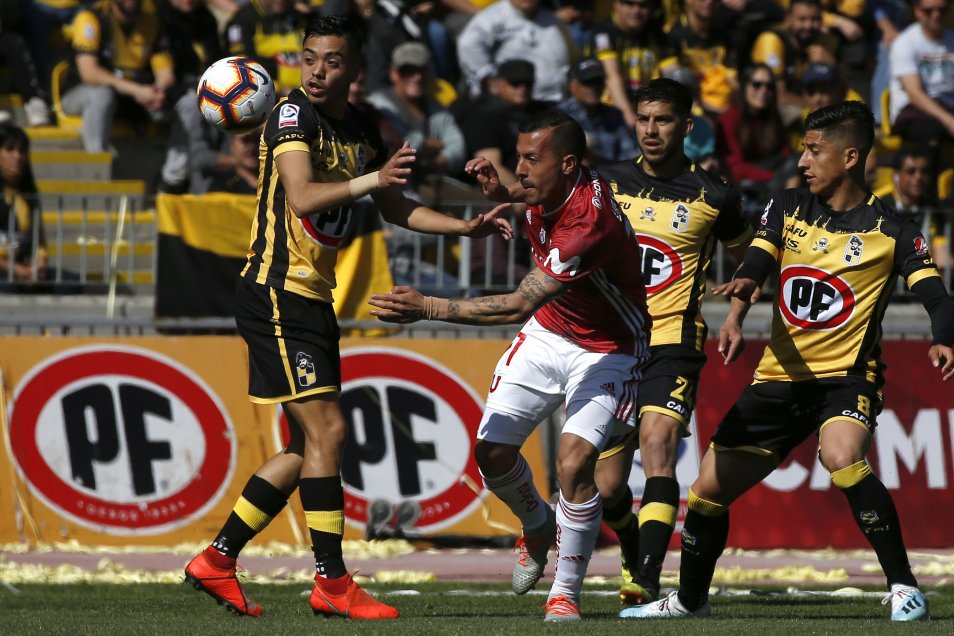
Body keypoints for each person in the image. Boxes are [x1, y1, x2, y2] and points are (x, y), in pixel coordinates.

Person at [183, 15, 513, 620]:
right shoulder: (291, 116)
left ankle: (218, 559)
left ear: (355, 71)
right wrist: (371, 178)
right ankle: (333, 582)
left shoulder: (362, 127)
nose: (316, 70)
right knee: (329, 432)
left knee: (304, 444)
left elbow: (397, 205)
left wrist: (463, 226)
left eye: (332, 61)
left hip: (311, 297)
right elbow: (305, 197)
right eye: (309, 57)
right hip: (276, 292)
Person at [620, 101, 954, 622]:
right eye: (802, 148)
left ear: (850, 157)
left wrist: (943, 337)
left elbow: (935, 294)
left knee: (842, 455)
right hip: (778, 378)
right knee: (706, 491)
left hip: (846, 379)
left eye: (813, 150)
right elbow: (759, 257)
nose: (802, 160)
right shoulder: (788, 205)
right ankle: (689, 601)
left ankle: (905, 588)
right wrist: (747, 286)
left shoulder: (894, 228)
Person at [369, 110, 652, 622]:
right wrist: (502, 188)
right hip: (551, 332)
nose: (519, 168)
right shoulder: (558, 185)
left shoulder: (590, 223)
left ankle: (565, 593)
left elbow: (514, 306)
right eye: (517, 156)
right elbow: (536, 196)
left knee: (573, 463)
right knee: (492, 453)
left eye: (530, 160)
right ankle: (538, 524)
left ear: (568, 164)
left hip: (609, 349)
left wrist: (427, 307)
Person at [596, 77, 752, 605]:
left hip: (674, 340)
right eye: (643, 119)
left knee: (658, 444)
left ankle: (644, 579)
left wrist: (734, 316)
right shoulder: (606, 182)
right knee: (608, 486)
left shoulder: (714, 194)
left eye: (662, 119)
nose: (651, 130)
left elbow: (752, 260)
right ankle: (633, 542)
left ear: (687, 126)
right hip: (611, 344)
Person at [61, 0, 175, 153]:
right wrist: (136, 91)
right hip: (80, 92)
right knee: (101, 95)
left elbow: (166, 73)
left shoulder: (152, 21)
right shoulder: (91, 18)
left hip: (131, 96)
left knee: (185, 100)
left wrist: (157, 91)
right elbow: (89, 73)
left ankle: (175, 174)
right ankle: (97, 161)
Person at [457, 0, 574, 105]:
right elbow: (468, 44)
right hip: (520, 105)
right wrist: (488, 77)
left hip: (559, 100)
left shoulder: (552, 20)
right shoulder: (493, 17)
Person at [716, 63, 800, 196]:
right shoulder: (729, 118)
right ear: (744, 86)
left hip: (773, 174)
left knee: (798, 160)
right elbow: (735, 168)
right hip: (745, 183)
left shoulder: (772, 116)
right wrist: (775, 177)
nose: (763, 90)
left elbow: (786, 152)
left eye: (769, 86)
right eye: (757, 84)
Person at [749, 0, 839, 122]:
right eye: (802, 19)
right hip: (773, 113)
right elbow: (777, 96)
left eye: (815, 19)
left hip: (809, 106)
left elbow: (840, 92)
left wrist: (833, 65)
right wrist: (817, 108)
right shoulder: (772, 40)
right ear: (788, 19)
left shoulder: (826, 42)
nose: (808, 26)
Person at [587, 0, 670, 128]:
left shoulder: (657, 34)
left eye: (643, 5)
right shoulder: (603, 33)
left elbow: (672, 73)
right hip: (612, 111)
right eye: (629, 4)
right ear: (616, 4)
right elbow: (612, 75)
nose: (636, 11)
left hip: (648, 111)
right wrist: (627, 113)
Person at [888, 0, 954, 150]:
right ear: (917, 11)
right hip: (912, 113)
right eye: (929, 10)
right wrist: (949, 121)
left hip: (948, 107)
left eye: (942, 10)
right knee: (931, 129)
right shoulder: (905, 43)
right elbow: (914, 93)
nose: (936, 15)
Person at [555, 58, 638, 166]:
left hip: (611, 178)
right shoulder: (560, 116)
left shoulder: (614, 115)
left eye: (598, 81)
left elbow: (628, 156)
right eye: (587, 82)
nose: (593, 88)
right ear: (572, 85)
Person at [0, 123, 46, 285]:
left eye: (22, 151)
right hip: (5, 269)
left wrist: (39, 262)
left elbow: (38, 239)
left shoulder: (28, 195)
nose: (18, 156)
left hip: (21, 265)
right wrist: (13, 268)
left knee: (71, 284)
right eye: (10, 149)